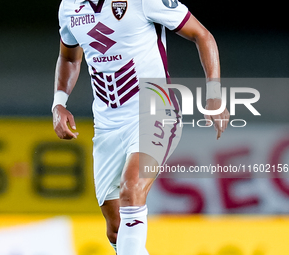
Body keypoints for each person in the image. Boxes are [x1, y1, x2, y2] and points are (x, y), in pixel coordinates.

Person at [52, 0, 230, 254]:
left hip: (154, 110)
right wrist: (59, 103)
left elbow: (203, 35)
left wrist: (214, 93)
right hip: (107, 125)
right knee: (116, 228)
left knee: (132, 186)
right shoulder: (69, 7)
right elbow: (69, 58)